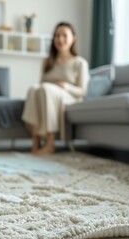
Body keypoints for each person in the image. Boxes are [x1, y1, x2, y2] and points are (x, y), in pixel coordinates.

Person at [22, 22, 89, 155]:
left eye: (64, 35)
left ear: (73, 38)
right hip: (47, 95)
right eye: (57, 36)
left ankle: (50, 143)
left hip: (69, 96)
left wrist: (66, 87)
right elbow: (40, 85)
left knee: (46, 89)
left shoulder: (80, 63)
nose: (60, 39)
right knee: (34, 89)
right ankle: (35, 142)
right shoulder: (47, 62)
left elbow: (82, 91)